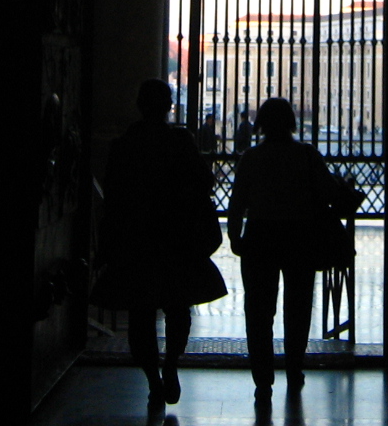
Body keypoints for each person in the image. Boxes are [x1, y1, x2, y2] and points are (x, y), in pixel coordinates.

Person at [91, 79, 227, 410]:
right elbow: (204, 181)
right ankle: (171, 364)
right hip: (178, 239)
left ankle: (154, 380)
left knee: (141, 314)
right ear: (168, 106)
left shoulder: (124, 145)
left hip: (137, 240)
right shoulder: (180, 140)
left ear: (139, 105)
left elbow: (113, 197)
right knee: (179, 308)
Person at [227, 97, 343, 402]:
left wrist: (235, 236)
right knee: (299, 307)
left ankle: (263, 377)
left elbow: (237, 202)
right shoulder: (306, 155)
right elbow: (330, 192)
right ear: (291, 121)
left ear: (262, 124)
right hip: (300, 235)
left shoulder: (251, 157)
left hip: (260, 235)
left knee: (259, 310)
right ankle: (294, 367)